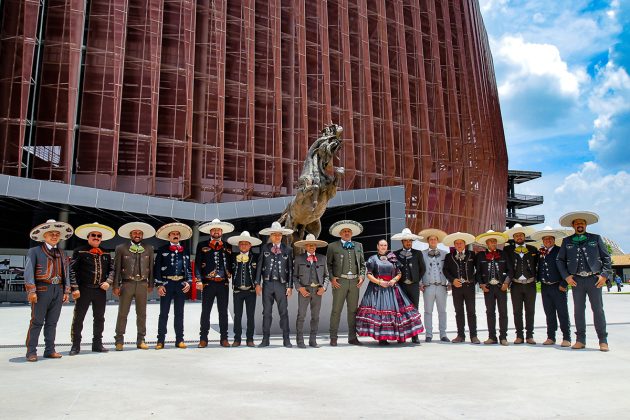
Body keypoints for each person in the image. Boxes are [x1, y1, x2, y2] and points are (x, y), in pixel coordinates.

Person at [557, 211, 612, 352]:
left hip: (594, 279)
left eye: (582, 223)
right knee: (578, 311)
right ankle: (580, 340)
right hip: (577, 280)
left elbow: (606, 258)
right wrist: (567, 277)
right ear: (573, 226)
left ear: (585, 225)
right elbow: (560, 260)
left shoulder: (596, 238)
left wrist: (604, 275)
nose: (579, 225)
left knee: (598, 310)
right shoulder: (567, 241)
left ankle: (603, 340)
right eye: (576, 223)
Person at [356, 239, 424, 344]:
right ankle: (382, 338)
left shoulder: (392, 257)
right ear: (377, 246)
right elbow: (368, 274)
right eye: (381, 245)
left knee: (397, 313)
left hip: (392, 288)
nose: (383, 247)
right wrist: (379, 282)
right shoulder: (372, 258)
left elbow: (399, 273)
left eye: (385, 245)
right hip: (378, 289)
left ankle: (399, 335)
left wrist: (394, 280)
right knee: (381, 313)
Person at [24, 219, 73, 362]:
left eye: (57, 233)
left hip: (58, 290)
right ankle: (31, 351)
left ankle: (50, 350)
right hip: (42, 289)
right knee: (37, 321)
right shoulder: (35, 251)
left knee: (52, 322)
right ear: (44, 236)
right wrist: (31, 291)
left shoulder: (62, 253)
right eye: (51, 233)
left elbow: (66, 272)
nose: (54, 236)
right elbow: (28, 272)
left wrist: (66, 292)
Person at [69, 222, 115, 355]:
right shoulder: (80, 251)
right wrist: (75, 288)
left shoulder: (106, 252)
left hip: (100, 291)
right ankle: (76, 345)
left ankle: (97, 344)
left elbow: (112, 269)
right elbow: (72, 270)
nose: (96, 237)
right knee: (79, 318)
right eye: (93, 235)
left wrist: (108, 281)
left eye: (98, 236)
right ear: (88, 237)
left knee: (100, 318)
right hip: (84, 289)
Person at [113, 222, 155, 351]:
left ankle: (141, 339)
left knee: (142, 314)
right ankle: (119, 340)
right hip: (127, 283)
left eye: (140, 233)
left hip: (142, 284)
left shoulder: (149, 248)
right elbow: (117, 268)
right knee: (123, 313)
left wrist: (151, 283)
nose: (137, 235)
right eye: (135, 233)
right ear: (130, 234)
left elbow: (151, 268)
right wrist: (115, 285)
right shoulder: (121, 248)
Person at [326, 220, 366, 346]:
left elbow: (363, 264)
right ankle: (333, 337)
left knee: (353, 310)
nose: (347, 233)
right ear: (340, 233)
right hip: (340, 282)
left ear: (352, 233)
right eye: (344, 231)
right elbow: (328, 265)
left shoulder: (359, 245)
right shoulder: (333, 246)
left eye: (349, 231)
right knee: (336, 310)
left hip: (355, 282)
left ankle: (352, 337)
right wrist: (332, 278)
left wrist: (362, 276)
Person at [196, 218, 234, 348]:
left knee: (223, 312)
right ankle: (203, 338)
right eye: (214, 229)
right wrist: (198, 280)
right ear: (210, 231)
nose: (216, 231)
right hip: (208, 283)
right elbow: (197, 265)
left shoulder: (228, 246)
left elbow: (231, 264)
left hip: (223, 283)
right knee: (205, 311)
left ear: (221, 231)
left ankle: (224, 338)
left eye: (218, 229)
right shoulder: (202, 245)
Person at [154, 222, 193, 349]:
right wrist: (159, 285)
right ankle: (160, 341)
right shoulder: (162, 250)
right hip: (167, 283)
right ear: (169, 236)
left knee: (179, 313)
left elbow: (188, 268)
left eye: (177, 234)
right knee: (164, 313)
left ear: (180, 237)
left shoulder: (185, 250)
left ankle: (180, 340)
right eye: (173, 234)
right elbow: (157, 268)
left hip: (180, 284)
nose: (175, 236)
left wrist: (189, 282)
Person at [530, 226, 571, 347]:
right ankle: (551, 336)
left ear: (553, 239)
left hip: (558, 286)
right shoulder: (540, 252)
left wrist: (564, 283)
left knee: (562, 312)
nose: (547, 241)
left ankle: (566, 337)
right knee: (549, 312)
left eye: (550, 239)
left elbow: (567, 268)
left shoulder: (560, 251)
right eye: (545, 239)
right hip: (545, 286)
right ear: (542, 240)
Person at [256, 221, 294, 348]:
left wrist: (290, 286)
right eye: (274, 234)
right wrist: (257, 283)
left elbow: (291, 269)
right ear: (270, 236)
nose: (277, 237)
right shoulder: (264, 248)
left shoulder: (288, 249)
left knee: (284, 312)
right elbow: (259, 267)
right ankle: (265, 339)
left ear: (282, 236)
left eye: (279, 235)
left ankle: (286, 339)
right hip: (267, 284)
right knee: (266, 312)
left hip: (282, 285)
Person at [475, 230, 513, 346]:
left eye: (494, 241)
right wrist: (481, 285)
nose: (493, 243)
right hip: (488, 288)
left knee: (503, 312)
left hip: (501, 287)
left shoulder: (503, 254)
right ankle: (492, 336)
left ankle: (503, 337)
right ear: (486, 243)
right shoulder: (481, 255)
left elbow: (510, 270)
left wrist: (506, 283)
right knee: (490, 312)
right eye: (490, 241)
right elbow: (477, 272)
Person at [503, 224, 539, 345]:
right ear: (513, 237)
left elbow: (537, 266)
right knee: (517, 311)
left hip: (530, 284)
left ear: (524, 236)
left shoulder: (533, 249)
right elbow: (506, 267)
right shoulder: (508, 250)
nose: (519, 237)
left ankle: (529, 335)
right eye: (516, 235)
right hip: (516, 284)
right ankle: (519, 335)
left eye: (521, 235)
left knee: (530, 310)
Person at [292, 234, 330, 348]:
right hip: (305, 290)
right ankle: (300, 341)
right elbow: (294, 276)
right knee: (301, 316)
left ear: (316, 246)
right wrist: (300, 288)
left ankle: (313, 341)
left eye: (313, 245)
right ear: (305, 246)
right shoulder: (299, 258)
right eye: (309, 245)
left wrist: (324, 287)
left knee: (315, 316)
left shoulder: (322, 258)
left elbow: (327, 276)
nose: (311, 247)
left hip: (317, 291)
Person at [442, 232, 479, 344]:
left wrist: (473, 281)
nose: (459, 245)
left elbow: (479, 269)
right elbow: (445, 270)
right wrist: (453, 280)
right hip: (457, 288)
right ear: (454, 244)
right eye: (457, 243)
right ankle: (460, 335)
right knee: (459, 312)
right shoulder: (449, 256)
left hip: (469, 287)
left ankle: (474, 335)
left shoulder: (472, 254)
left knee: (471, 311)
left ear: (465, 244)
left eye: (461, 243)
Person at [227, 231, 262, 347]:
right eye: (241, 244)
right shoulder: (232, 257)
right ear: (238, 245)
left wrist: (258, 284)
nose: (243, 246)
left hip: (251, 290)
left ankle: (250, 339)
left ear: (250, 245)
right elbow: (228, 270)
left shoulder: (255, 257)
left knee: (250, 315)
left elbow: (258, 273)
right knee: (237, 316)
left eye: (246, 244)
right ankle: (237, 339)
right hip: (237, 290)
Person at [392, 228, 426, 344]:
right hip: (401, 286)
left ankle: (415, 335)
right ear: (402, 241)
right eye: (406, 241)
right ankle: (402, 335)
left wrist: (415, 280)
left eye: (410, 241)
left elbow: (422, 269)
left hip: (413, 286)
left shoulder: (418, 253)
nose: (408, 243)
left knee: (414, 310)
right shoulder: (396, 254)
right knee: (401, 310)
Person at [418, 228, 450, 343]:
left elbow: (448, 269)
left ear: (437, 241)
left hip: (441, 286)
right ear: (428, 241)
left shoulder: (445, 254)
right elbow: (420, 270)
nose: (433, 241)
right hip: (428, 286)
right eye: (430, 239)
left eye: (434, 239)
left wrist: (449, 283)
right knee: (428, 311)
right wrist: (420, 283)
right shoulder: (422, 254)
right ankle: (429, 334)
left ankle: (443, 334)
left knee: (442, 311)